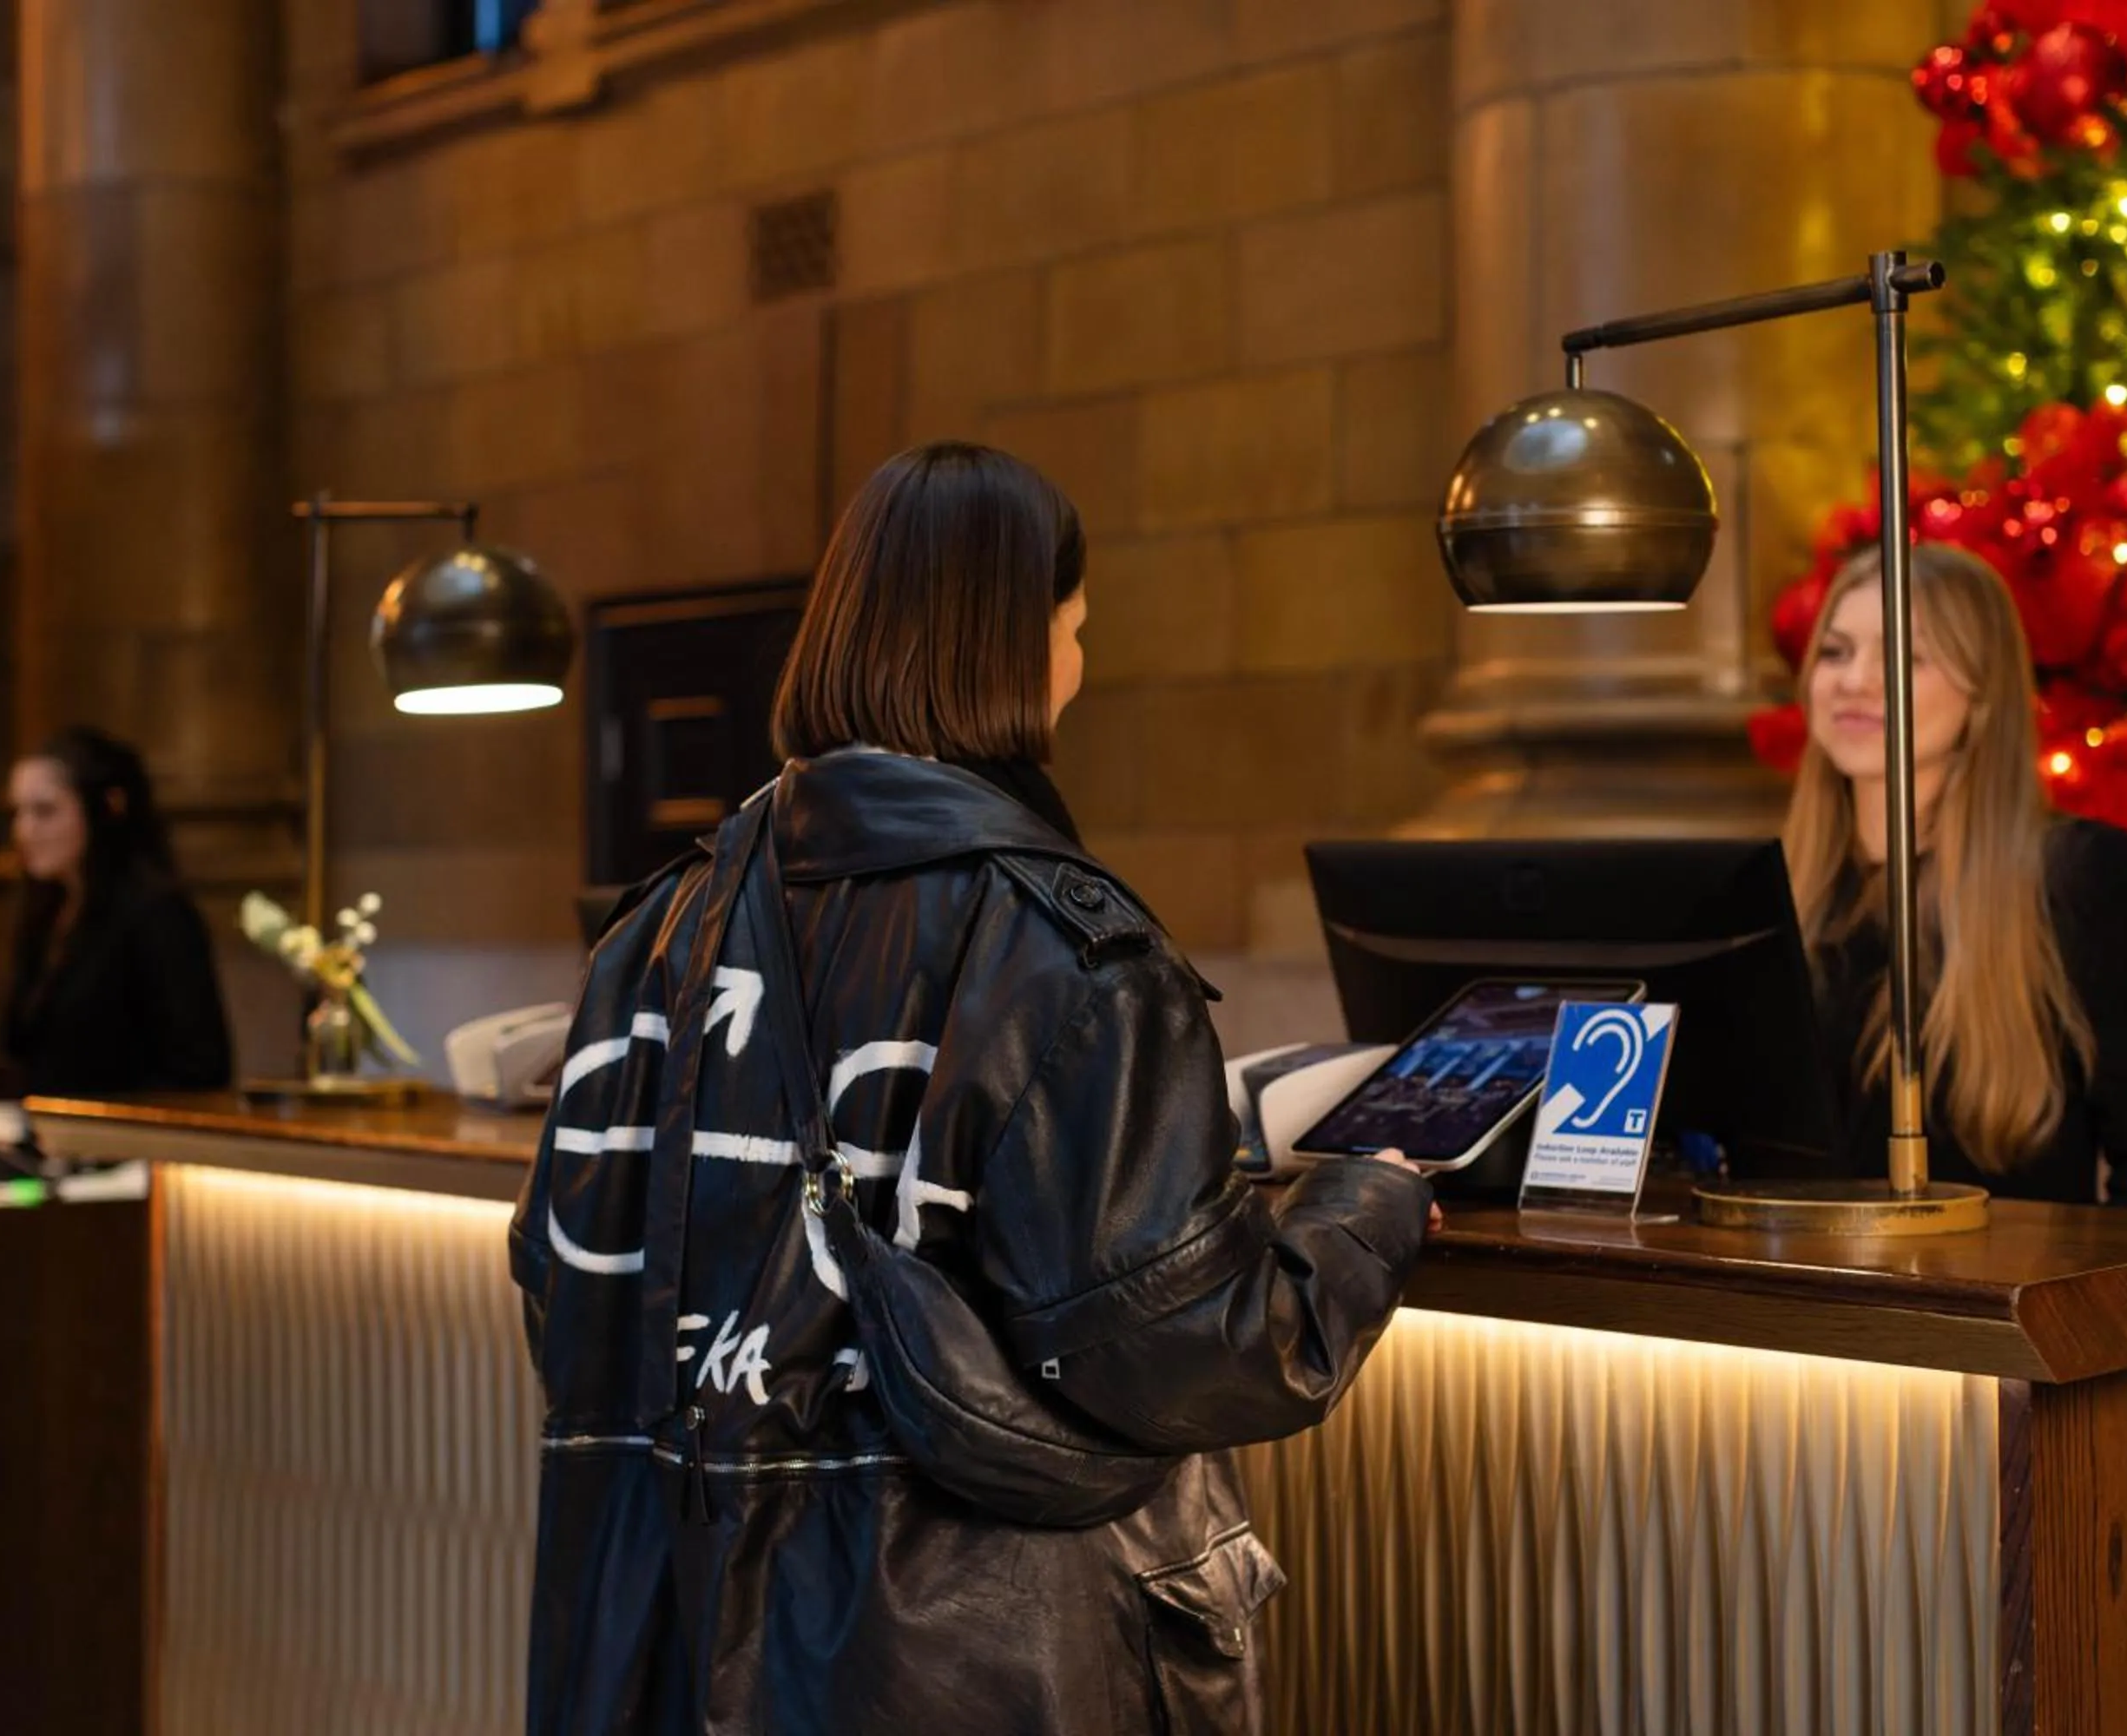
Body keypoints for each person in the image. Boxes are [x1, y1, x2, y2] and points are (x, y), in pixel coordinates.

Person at [510, 442, 1435, 1735]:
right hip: (968, 1661)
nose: (1080, 667)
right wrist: (1366, 1211)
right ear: (1015, 648)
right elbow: (1187, 1349)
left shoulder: (654, 933)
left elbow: (566, 1275)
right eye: (1074, 628)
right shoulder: (1062, 946)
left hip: (657, 1626)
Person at [1783, 543, 2127, 1209]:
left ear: (1982, 694)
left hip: (2002, 1305)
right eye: (1837, 652)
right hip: (1795, 1307)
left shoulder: (2077, 876)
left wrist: (2070, 1309)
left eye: (1904, 657)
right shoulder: (1778, 891)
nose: (1856, 680)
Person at [2, 726, 233, 1097]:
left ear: (104, 809)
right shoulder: (46, 912)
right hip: (54, 1138)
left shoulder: (156, 914)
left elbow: (199, 1067)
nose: (24, 831)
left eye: (44, 811)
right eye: (18, 812)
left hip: (125, 1142)